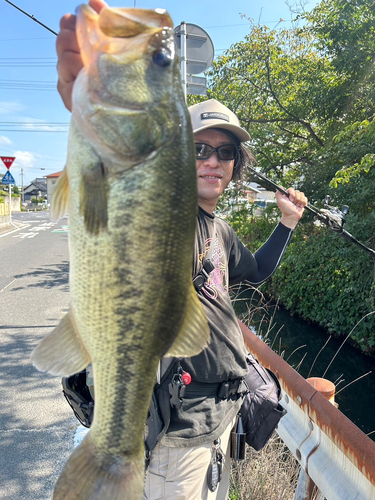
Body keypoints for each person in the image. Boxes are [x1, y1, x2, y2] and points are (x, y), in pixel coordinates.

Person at [56, 2, 308, 499]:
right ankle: (113, 455)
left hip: (214, 424)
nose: (213, 161)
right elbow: (124, 176)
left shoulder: (220, 230)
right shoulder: (174, 213)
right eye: (198, 149)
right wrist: (92, 90)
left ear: (237, 162)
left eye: (226, 152)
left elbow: (253, 273)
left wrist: (286, 223)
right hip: (173, 430)